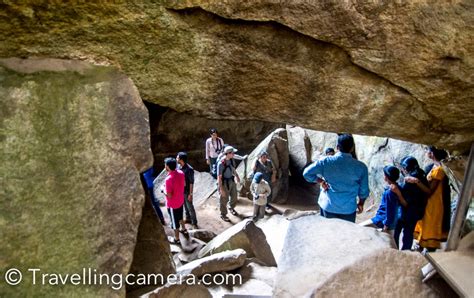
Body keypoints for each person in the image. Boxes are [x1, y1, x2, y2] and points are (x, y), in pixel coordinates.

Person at [303, 134, 370, 223]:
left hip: (328, 206)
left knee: (328, 233)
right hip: (348, 209)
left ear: (337, 147)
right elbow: (364, 190)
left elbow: (306, 173)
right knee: (345, 234)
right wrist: (361, 203)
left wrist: (320, 181)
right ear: (352, 148)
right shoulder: (361, 167)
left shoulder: (325, 162)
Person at [408, 146, 451, 252]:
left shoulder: (439, 170)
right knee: (425, 225)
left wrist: (416, 181)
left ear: (433, 154)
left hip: (434, 203)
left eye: (428, 150)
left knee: (430, 226)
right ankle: (422, 246)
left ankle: (429, 250)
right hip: (429, 202)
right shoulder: (434, 167)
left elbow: (429, 191)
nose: (426, 152)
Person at [392, 156, 428, 250]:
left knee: (400, 231)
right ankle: (406, 251)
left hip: (409, 212)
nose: (402, 170)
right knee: (408, 232)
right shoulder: (421, 174)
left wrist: (398, 193)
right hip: (418, 210)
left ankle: (398, 250)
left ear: (407, 168)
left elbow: (406, 202)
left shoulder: (410, 181)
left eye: (403, 167)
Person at [361, 166, 400, 235]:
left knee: (359, 228)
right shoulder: (398, 188)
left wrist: (386, 225)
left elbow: (390, 211)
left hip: (382, 220)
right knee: (391, 242)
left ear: (386, 177)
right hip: (391, 221)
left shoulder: (389, 193)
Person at [162, 157, 186, 245]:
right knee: (180, 216)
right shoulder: (181, 172)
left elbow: (169, 195)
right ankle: (184, 229)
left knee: (174, 222)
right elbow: (184, 184)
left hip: (172, 204)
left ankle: (177, 239)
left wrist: (163, 189)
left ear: (167, 166)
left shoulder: (168, 180)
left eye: (165, 165)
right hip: (180, 200)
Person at [217, 146, 241, 222]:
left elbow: (232, 168)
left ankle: (231, 207)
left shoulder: (230, 160)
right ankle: (223, 214)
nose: (234, 154)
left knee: (234, 196)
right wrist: (221, 189)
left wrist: (237, 176)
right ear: (228, 153)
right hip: (224, 183)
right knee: (224, 199)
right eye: (232, 153)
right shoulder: (221, 163)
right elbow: (219, 177)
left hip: (231, 180)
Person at [176, 152, 198, 229]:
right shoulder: (179, 167)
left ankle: (194, 222)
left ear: (181, 160)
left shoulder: (189, 169)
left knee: (190, 206)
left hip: (187, 191)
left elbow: (191, 182)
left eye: (177, 158)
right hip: (181, 190)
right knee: (185, 205)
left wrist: (190, 194)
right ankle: (188, 219)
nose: (176, 159)